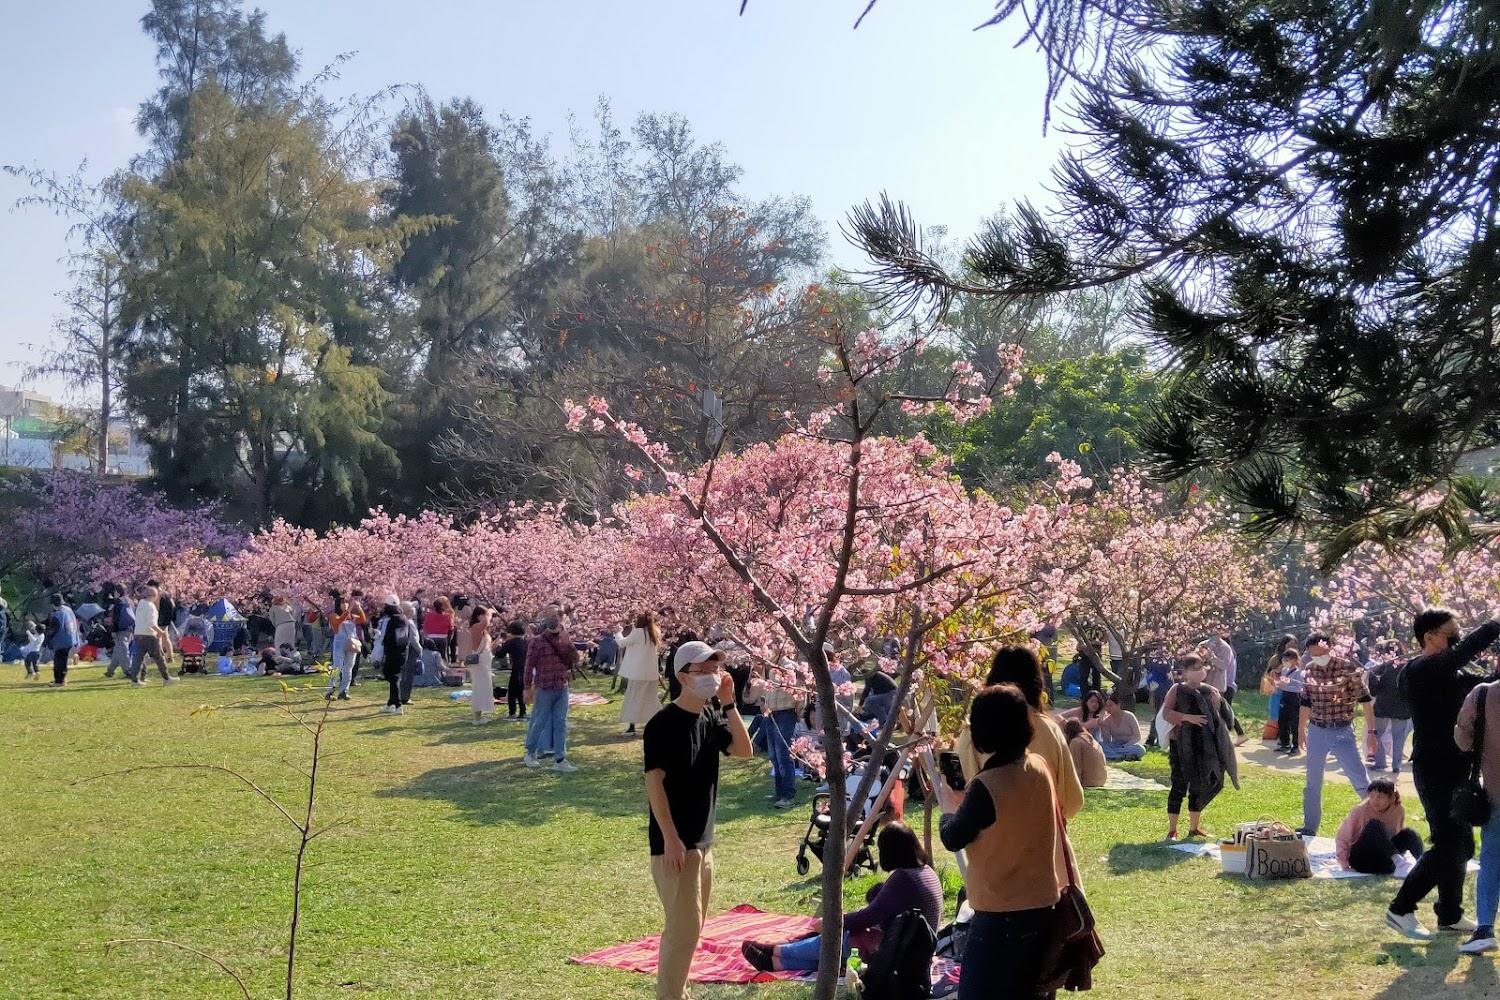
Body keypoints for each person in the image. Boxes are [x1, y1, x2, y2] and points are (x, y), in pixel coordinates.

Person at [937, 684, 1068, 1000]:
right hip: (1043, 906)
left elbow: (953, 836)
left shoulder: (988, 784)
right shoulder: (1038, 766)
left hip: (1000, 916)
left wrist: (948, 808)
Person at [643, 639, 754, 1000]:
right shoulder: (662, 724)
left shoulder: (708, 716)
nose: (711, 676)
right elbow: (654, 784)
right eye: (702, 671)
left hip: (704, 842)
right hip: (676, 845)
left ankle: (679, 991)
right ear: (682, 676)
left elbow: (744, 751)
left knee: (694, 927)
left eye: (714, 670)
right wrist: (671, 838)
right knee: (682, 930)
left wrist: (728, 704)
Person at [1386, 607, 1500, 940]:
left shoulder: (1451, 674)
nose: (1457, 637)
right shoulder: (1420, 669)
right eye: (1452, 633)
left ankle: (1449, 914)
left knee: (1462, 845)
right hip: (1434, 770)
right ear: (1430, 636)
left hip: (1457, 770)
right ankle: (1400, 908)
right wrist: (1494, 624)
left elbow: (1486, 687)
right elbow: (1459, 656)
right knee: (1449, 843)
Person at [742, 821, 942, 973]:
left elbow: (869, 916)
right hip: (917, 948)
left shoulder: (904, 878)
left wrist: (832, 922)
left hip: (904, 952)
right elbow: (880, 902)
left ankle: (779, 951)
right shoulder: (924, 871)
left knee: (847, 936)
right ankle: (776, 963)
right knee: (841, 943)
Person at [956, 645, 1086, 821]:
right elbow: (1073, 800)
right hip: (1044, 839)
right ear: (1036, 682)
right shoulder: (1049, 729)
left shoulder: (972, 731)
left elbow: (961, 797)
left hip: (990, 841)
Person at [1298, 633, 1371, 836]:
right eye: (1313, 654)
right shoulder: (1309, 670)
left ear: (1330, 647)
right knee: (1312, 783)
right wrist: (1300, 731)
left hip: (1341, 729)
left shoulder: (1347, 668)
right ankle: (1309, 826)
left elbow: (1365, 699)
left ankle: (1376, 822)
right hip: (1317, 729)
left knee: (1359, 779)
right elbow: (1305, 702)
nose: (1317, 658)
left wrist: (1371, 731)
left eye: (1320, 653)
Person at [1161, 653, 1236, 840]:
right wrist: (1187, 718)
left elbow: (1221, 716)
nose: (1199, 671)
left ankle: (1194, 827)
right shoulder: (1177, 690)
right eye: (1194, 668)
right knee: (1179, 783)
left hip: (1204, 745)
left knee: (1200, 784)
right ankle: (1172, 829)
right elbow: (1166, 713)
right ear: (1185, 672)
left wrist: (1218, 703)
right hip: (1181, 743)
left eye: (1201, 667)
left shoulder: (1210, 690)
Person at [1456, 677, 1500, 952]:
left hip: (1496, 792)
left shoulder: (1483, 695)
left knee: (1492, 863)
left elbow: (1463, 740)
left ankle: (1485, 928)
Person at [749, 654, 806, 810]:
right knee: (774, 755)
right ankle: (779, 792)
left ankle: (788, 795)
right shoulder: (771, 668)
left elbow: (800, 690)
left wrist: (799, 712)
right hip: (772, 713)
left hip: (786, 713)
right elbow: (769, 691)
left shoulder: (788, 667)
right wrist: (764, 703)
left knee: (783, 755)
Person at [524, 616, 580, 772]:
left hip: (561, 686)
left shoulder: (564, 641)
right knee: (539, 721)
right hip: (545, 686)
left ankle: (560, 758)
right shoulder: (537, 642)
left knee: (560, 722)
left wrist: (568, 643)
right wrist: (527, 687)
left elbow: (575, 659)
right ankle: (530, 752)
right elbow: (528, 665)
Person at [1335, 779, 1423, 875]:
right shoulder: (1359, 811)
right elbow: (1342, 837)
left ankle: (1423, 863)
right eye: (1372, 796)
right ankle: (1398, 861)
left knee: (1409, 833)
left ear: (1391, 798)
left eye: (1380, 797)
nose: (1375, 801)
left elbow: (1396, 834)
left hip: (1384, 862)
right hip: (1363, 860)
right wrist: (1344, 864)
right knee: (1374, 825)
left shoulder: (1398, 810)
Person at [1366, 639, 1411, 774]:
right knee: (1399, 737)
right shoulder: (1408, 667)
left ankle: (1380, 763)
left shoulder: (1382, 667)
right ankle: (1396, 765)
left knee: (1378, 734)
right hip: (1402, 707)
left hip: (1383, 706)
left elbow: (1373, 689)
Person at [618, 611, 664, 736]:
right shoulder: (656, 632)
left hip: (638, 673)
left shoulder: (638, 633)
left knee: (633, 698)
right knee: (650, 699)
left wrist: (617, 632)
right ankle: (656, 723)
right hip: (651, 673)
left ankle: (631, 727)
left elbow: (622, 643)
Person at [127, 586, 173, 686]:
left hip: (138, 634)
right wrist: (160, 632)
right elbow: (151, 623)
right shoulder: (150, 606)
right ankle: (166, 678)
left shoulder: (141, 604)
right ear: (154, 596)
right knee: (159, 657)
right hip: (149, 635)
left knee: (138, 658)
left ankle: (134, 680)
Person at [1092, 692, 1145, 761]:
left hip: (1129, 745)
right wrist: (1103, 727)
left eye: (1110, 705)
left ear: (1118, 705)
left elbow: (1137, 736)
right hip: (1115, 745)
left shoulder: (1129, 716)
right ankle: (1120, 756)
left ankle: (1114, 755)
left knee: (1140, 750)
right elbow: (1107, 740)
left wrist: (1124, 746)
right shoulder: (1107, 720)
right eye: (1106, 706)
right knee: (1100, 745)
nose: (1108, 708)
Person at [465, 604, 495, 724]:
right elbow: (486, 622)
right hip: (480, 663)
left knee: (485, 687)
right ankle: (477, 717)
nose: (487, 617)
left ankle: (480, 714)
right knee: (479, 687)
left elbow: (487, 645)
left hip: (485, 661)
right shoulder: (476, 626)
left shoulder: (482, 630)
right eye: (484, 615)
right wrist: (490, 611)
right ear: (478, 616)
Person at [42, 593, 80, 686]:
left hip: (61, 641)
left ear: (53, 604)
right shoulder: (68, 610)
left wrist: (46, 642)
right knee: (63, 660)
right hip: (71, 638)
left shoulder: (57, 615)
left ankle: (59, 681)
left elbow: (53, 631)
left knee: (59, 662)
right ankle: (62, 679)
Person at [1273, 648, 1306, 755]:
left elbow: (1299, 688)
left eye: (1287, 659)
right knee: (1282, 720)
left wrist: (1285, 686)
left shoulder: (1299, 672)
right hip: (1285, 697)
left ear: (1295, 659)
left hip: (1295, 698)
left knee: (1294, 722)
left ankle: (1296, 746)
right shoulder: (1284, 670)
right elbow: (1282, 683)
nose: (1285, 662)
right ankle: (1285, 743)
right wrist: (1276, 685)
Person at [496, 621, 529, 718]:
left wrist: (499, 645)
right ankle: (522, 711)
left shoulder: (510, 643)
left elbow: (500, 654)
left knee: (512, 692)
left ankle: (512, 712)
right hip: (526, 669)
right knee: (521, 691)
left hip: (516, 669)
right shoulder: (526, 642)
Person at [1064, 718, 1108, 788]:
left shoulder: (1076, 742)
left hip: (1089, 782)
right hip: (1102, 780)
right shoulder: (1091, 739)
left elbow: (1076, 767)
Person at [104, 584, 135, 680]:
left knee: (123, 651)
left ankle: (128, 671)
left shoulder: (118, 602)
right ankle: (110, 670)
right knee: (118, 650)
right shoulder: (130, 601)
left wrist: (113, 630)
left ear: (117, 592)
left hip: (121, 629)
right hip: (130, 628)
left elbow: (116, 618)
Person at [397, 601, 422, 705]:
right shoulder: (409, 622)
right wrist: (420, 649)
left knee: (404, 674)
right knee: (408, 675)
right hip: (411, 650)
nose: (415, 610)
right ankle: (405, 697)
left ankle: (401, 696)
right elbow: (414, 640)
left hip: (403, 650)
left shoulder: (403, 621)